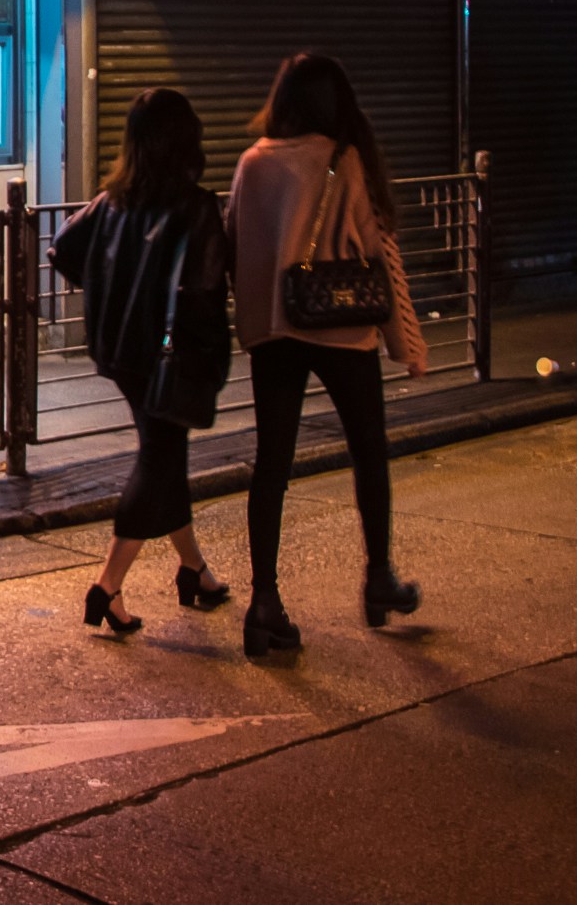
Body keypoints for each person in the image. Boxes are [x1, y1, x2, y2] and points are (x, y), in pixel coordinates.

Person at [226, 53, 430, 658]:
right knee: (369, 454)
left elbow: (236, 241)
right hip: (341, 327)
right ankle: (377, 580)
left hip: (274, 332)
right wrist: (406, 343)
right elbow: (378, 252)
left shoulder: (253, 162)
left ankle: (265, 601)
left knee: (272, 467)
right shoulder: (344, 159)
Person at [47, 87, 235, 635]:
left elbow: (61, 248)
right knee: (158, 460)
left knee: (164, 454)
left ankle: (194, 569)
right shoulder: (197, 207)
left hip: (123, 353)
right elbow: (204, 289)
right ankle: (106, 586)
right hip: (170, 357)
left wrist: (110, 294)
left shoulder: (112, 203)